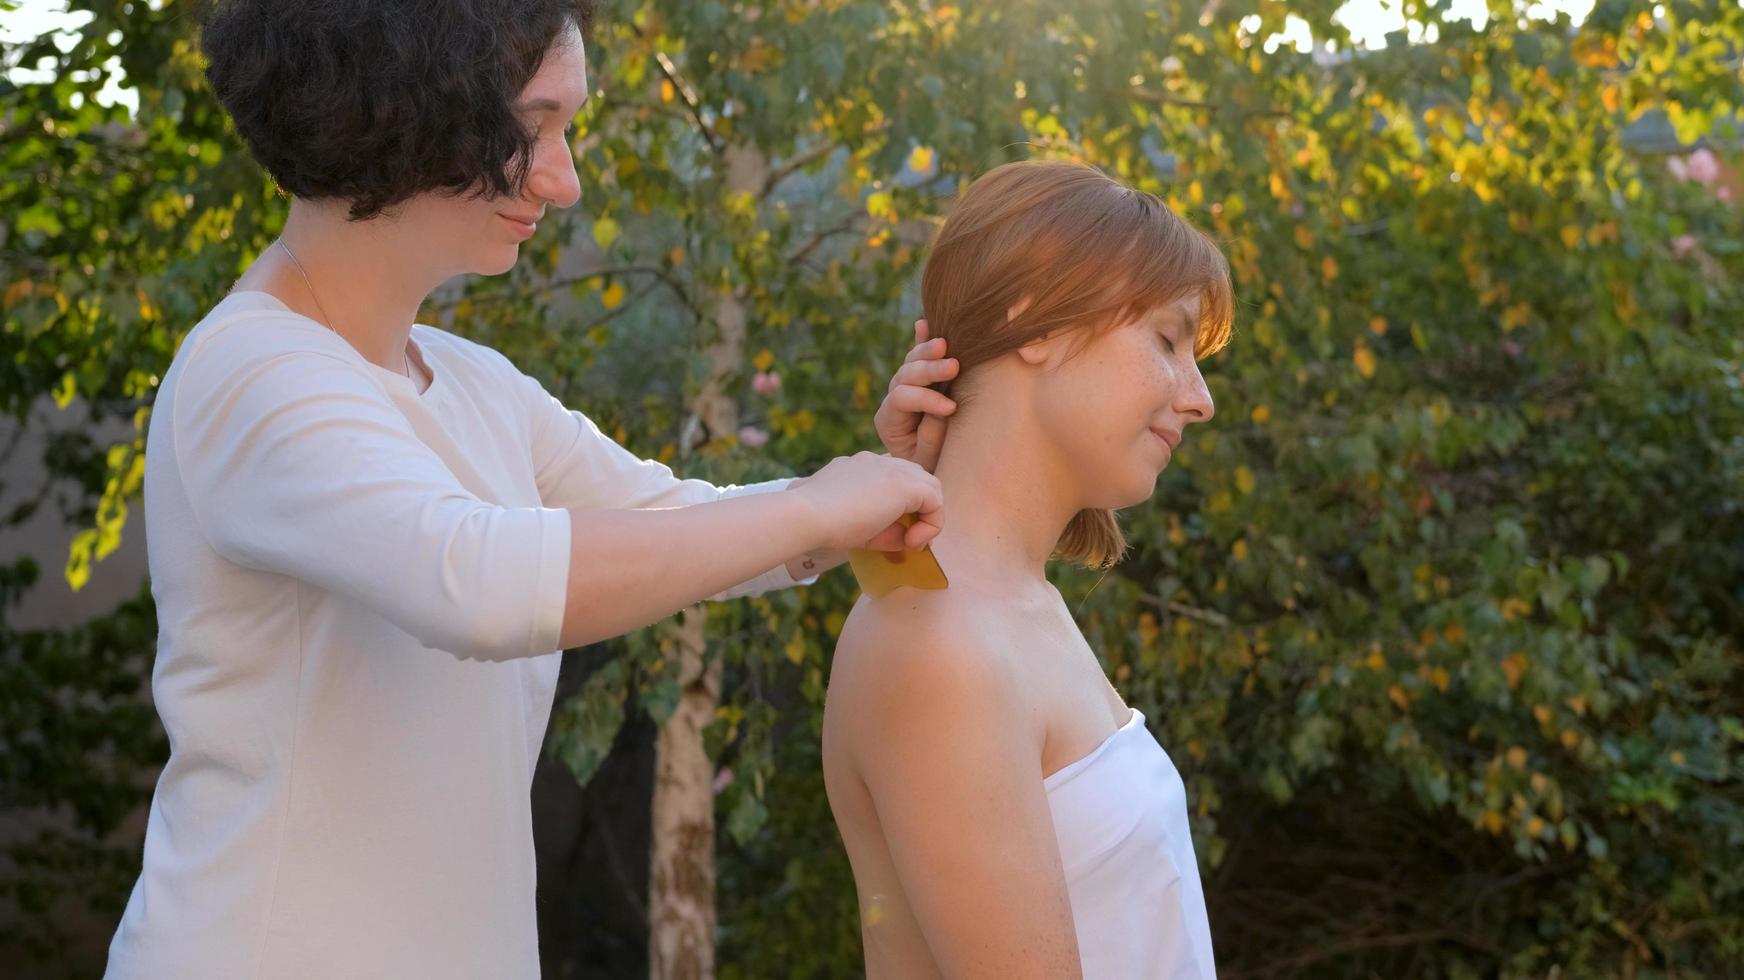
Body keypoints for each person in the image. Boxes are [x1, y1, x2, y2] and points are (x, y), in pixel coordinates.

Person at [104, 2, 958, 977]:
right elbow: (478, 581)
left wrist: (863, 491)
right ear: (399, 102)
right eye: (532, 125)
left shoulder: (471, 381)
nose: (563, 179)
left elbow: (674, 522)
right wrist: (816, 506)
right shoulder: (249, 369)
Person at [822, 159, 1233, 979]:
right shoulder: (937, 638)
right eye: (1165, 340)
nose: (1199, 399)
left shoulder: (1014, 605)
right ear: (1037, 318)